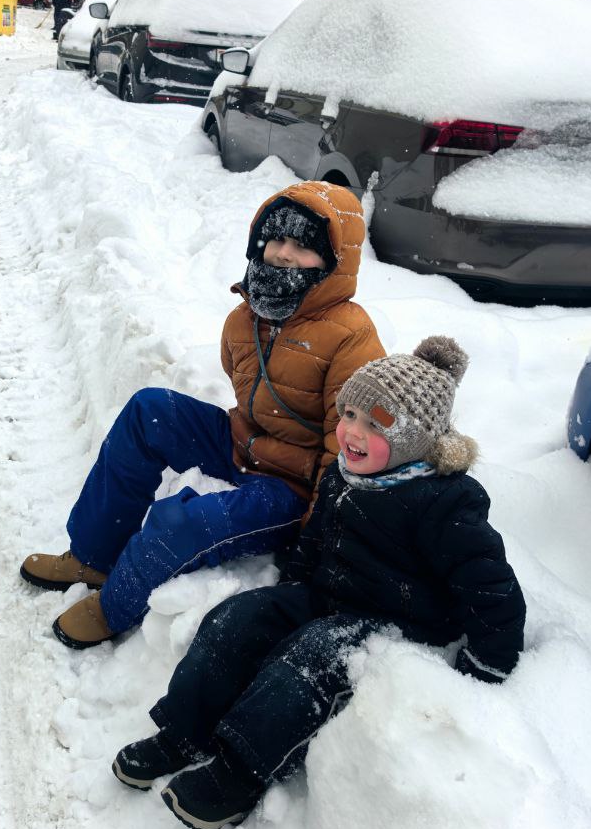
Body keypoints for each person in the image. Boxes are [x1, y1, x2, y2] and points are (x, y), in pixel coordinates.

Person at [110, 337, 528, 829]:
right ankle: (184, 732)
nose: (352, 431)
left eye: (375, 424)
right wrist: (288, 591)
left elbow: (491, 587)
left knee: (309, 660)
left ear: (415, 438)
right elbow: (316, 539)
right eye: (349, 413)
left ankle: (238, 774)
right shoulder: (344, 473)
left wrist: (487, 664)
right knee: (236, 619)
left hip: (393, 625)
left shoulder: (447, 502)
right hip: (328, 596)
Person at [21, 182, 386, 648]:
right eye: (277, 239)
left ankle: (114, 606)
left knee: (183, 521)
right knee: (149, 410)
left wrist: (314, 538)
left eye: (303, 245)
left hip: (292, 487)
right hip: (242, 444)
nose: (284, 253)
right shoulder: (245, 318)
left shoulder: (352, 337)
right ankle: (92, 556)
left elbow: (347, 451)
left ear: (335, 261)